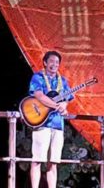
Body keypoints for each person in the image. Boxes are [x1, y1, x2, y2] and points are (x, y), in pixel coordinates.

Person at [28, 50, 72, 188]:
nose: (54, 64)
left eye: (57, 62)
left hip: (58, 125)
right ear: (45, 63)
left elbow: (67, 98)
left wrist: (64, 105)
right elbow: (39, 96)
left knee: (53, 162)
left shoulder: (63, 81)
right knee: (37, 160)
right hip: (42, 122)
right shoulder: (38, 77)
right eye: (51, 61)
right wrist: (56, 105)